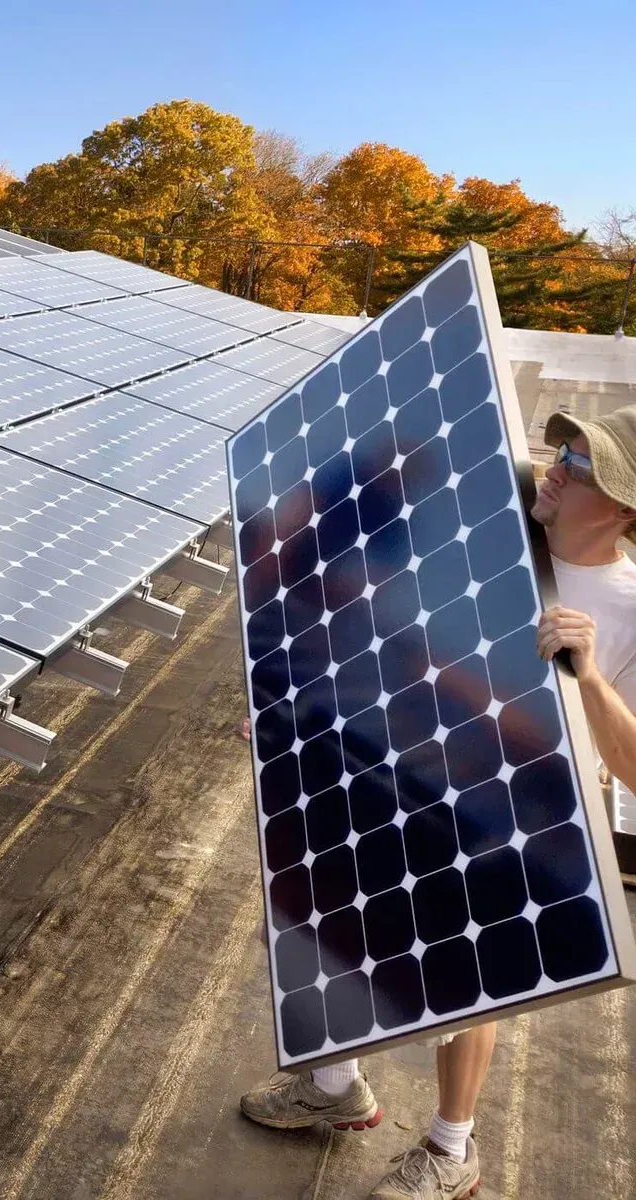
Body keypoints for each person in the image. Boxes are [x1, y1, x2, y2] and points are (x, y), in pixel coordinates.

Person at [239, 407, 636, 1200]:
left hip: (500, 818)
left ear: (627, 509)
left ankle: (452, 1150)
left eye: (582, 465)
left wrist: (587, 676)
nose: (554, 466)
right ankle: (334, 1084)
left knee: (460, 974)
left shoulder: (626, 607)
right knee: (332, 917)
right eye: (562, 448)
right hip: (388, 757)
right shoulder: (492, 525)